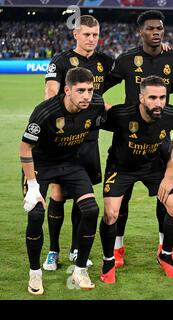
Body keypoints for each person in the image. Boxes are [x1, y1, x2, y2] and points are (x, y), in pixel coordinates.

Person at [104, 10, 173, 267]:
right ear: (140, 31)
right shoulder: (127, 59)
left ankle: (164, 247)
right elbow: (101, 88)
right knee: (122, 199)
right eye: (150, 29)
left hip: (159, 140)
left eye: (159, 29)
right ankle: (117, 248)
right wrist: (113, 112)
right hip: (127, 140)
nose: (156, 33)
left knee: (165, 195)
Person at [21, 67, 106, 295]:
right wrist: (32, 186)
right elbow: (25, 146)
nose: (87, 96)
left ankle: (79, 270)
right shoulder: (45, 111)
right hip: (41, 165)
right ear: (67, 90)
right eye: (81, 91)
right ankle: (35, 273)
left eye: (90, 90)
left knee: (91, 209)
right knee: (36, 213)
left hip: (71, 163)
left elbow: (113, 116)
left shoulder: (95, 104)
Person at [41, 14, 114, 270]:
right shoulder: (61, 60)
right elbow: (51, 92)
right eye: (86, 34)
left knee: (82, 195)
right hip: (63, 138)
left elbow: (127, 75)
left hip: (88, 138)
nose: (92, 39)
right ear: (76, 35)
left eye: (95, 35)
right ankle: (53, 250)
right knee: (59, 194)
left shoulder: (105, 62)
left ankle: (74, 249)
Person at [99, 76, 173, 282]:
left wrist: (169, 174)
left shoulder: (171, 113)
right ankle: (108, 260)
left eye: (162, 97)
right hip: (120, 168)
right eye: (152, 98)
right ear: (141, 97)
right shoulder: (120, 115)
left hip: (153, 168)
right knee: (111, 213)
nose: (158, 103)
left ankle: (165, 255)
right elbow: (90, 123)